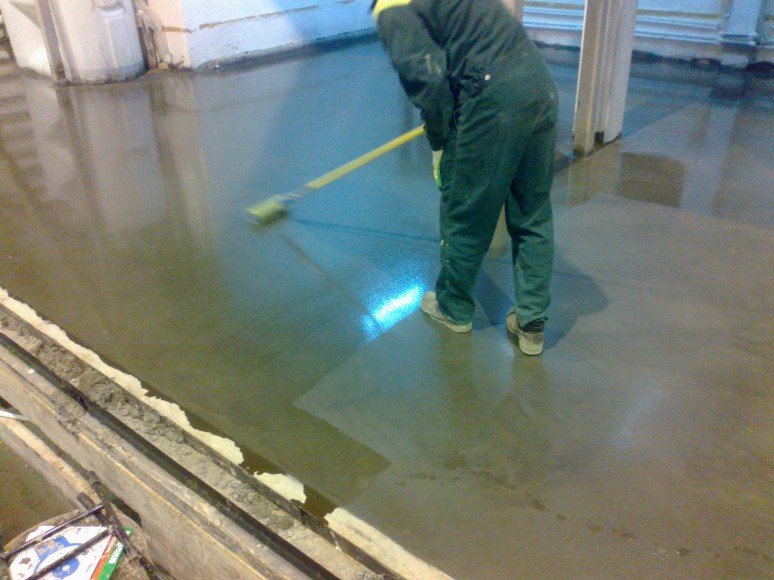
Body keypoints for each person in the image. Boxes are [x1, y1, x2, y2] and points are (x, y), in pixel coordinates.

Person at [371, 0, 559, 356]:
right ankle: (532, 323)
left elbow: (429, 80)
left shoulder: (392, 8)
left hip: (494, 97)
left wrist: (439, 142)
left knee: (466, 208)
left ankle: (453, 307)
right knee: (532, 211)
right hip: (539, 82)